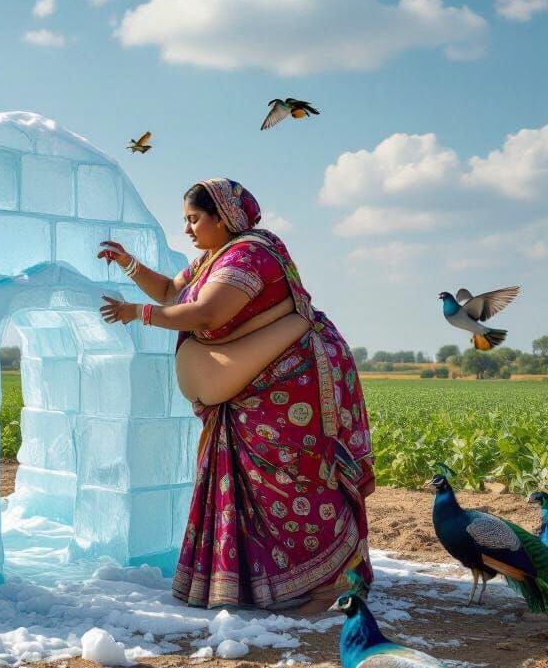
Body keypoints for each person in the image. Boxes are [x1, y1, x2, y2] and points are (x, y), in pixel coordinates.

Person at [98, 178, 373, 613]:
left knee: (290, 477)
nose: (187, 230)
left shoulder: (251, 254)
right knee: (257, 486)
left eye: (193, 219)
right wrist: (130, 265)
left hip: (288, 385)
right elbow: (174, 292)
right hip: (253, 389)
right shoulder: (213, 258)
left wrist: (138, 314)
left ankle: (328, 584)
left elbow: (207, 312)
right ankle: (268, 582)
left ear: (222, 217)